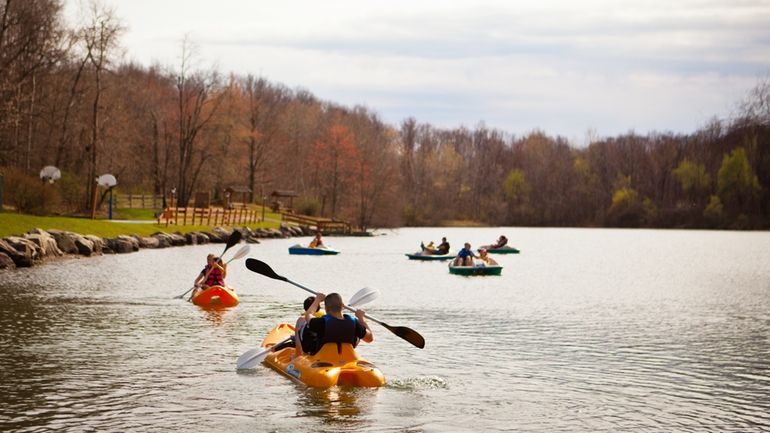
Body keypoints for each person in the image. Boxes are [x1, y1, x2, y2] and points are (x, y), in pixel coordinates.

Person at [301, 292, 373, 356]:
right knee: (358, 335)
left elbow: (308, 315)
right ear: (342, 306)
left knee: (306, 328)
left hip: (323, 357)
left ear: (326, 308)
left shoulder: (322, 322)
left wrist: (317, 300)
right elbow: (369, 339)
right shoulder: (354, 322)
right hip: (347, 357)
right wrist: (361, 319)